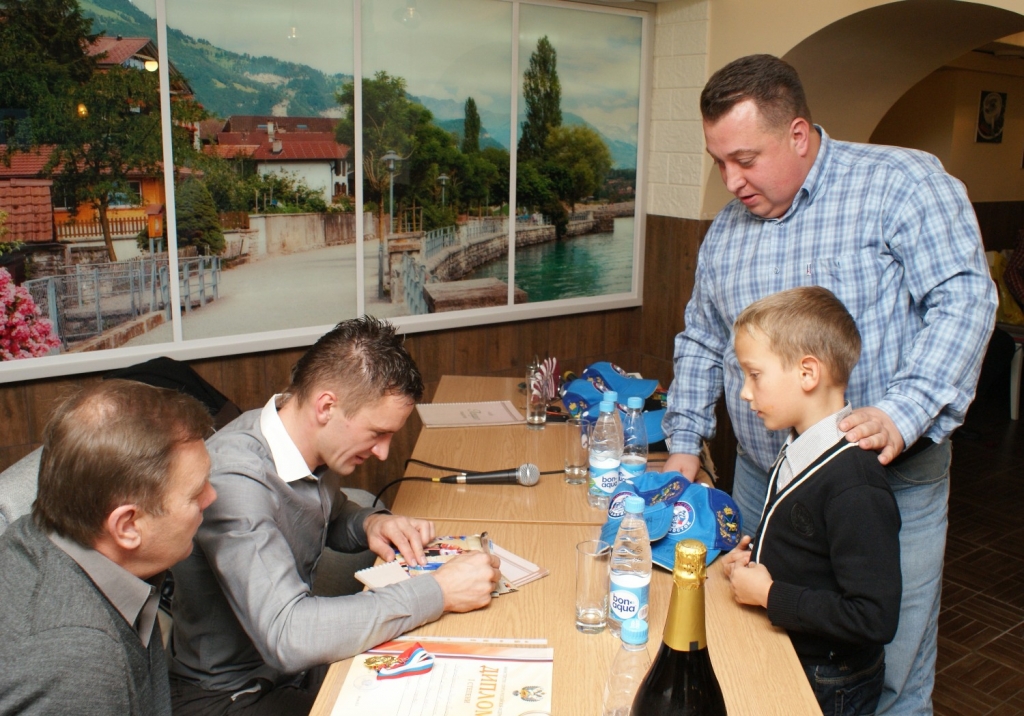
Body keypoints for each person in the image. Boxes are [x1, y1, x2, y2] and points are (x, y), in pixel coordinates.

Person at [662, 54, 997, 716]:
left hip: (883, 479)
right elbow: (701, 336)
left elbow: (964, 299)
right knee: (763, 646)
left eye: (746, 159)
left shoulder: (901, 183)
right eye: (718, 161)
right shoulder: (728, 230)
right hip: (765, 472)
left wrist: (902, 412)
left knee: (890, 670)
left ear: (798, 132)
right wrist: (682, 441)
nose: (731, 181)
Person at [169, 316, 501, 715]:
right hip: (233, 695)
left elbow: (328, 511)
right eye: (377, 433)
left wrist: (370, 524)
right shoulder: (237, 481)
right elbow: (290, 634)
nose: (382, 452)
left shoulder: (298, 436)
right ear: (327, 406)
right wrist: (439, 592)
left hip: (289, 672)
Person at [722, 286, 901, 715]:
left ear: (807, 373)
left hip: (831, 681)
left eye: (755, 375)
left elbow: (873, 616)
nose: (745, 393)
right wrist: (752, 561)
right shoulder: (802, 444)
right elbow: (806, 548)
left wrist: (769, 593)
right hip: (793, 652)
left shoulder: (855, 485)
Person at [0, 380, 217, 716]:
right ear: (127, 526)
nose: (211, 497)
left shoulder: (40, 532)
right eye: (195, 493)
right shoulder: (80, 664)